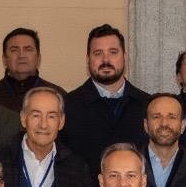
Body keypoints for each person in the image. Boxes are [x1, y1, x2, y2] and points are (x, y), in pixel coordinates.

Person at [0, 87, 97, 187]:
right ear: (23, 118)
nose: (43, 125)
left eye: (51, 116)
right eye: (36, 115)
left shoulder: (77, 168)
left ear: (61, 121)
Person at [61, 24, 151, 173]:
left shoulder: (147, 105)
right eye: (98, 53)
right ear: (88, 59)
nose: (106, 59)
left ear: (124, 57)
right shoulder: (67, 107)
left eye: (113, 52)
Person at [0, 27, 61, 112]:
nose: (21, 55)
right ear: (4, 59)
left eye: (28, 49)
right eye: (14, 50)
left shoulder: (57, 95)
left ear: (38, 58)